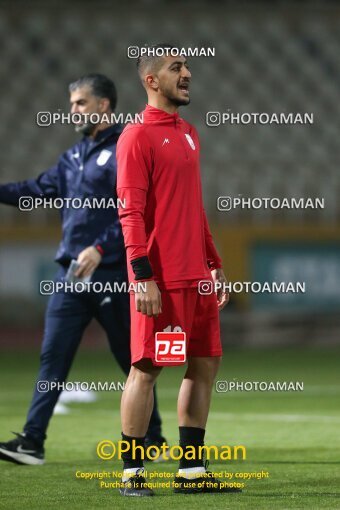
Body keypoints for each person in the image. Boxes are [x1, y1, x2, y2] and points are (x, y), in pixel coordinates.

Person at [0, 73, 166, 466]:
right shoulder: (73, 157)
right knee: (52, 357)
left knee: (133, 362)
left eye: (80, 102)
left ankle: (152, 439)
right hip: (72, 276)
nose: (72, 109)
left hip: (115, 275)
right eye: (72, 102)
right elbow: (35, 189)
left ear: (104, 105)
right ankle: (32, 442)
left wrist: (101, 246)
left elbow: (135, 209)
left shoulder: (128, 146)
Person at [116, 45, 240, 496]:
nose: (187, 73)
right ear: (151, 80)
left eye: (186, 66)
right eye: (176, 68)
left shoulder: (188, 132)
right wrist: (142, 274)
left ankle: (191, 472)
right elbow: (130, 212)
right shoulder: (136, 136)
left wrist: (214, 261)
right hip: (162, 280)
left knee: (204, 364)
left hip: (196, 278)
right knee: (147, 368)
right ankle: (132, 474)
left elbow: (194, 206)